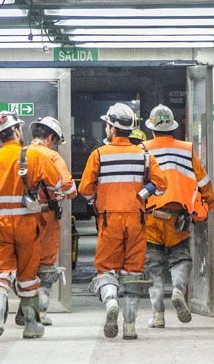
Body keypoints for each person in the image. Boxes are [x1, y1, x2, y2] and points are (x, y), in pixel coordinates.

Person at [0, 111, 72, 342]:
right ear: (16, 131)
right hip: (27, 224)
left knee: (0, 273)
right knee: (27, 274)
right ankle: (32, 325)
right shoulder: (35, 157)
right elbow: (63, 185)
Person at [79, 103, 167, 340]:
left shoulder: (98, 155)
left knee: (106, 269)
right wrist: (143, 192)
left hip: (109, 220)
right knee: (132, 272)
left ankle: (110, 305)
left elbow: (85, 189)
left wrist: (98, 195)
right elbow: (161, 184)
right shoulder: (144, 156)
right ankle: (129, 326)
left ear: (111, 128)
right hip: (137, 219)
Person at [143, 104, 214, 328]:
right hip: (179, 217)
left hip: (152, 216)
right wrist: (209, 203)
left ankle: (157, 315)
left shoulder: (143, 149)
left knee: (153, 266)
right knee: (180, 257)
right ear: (173, 127)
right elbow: (202, 181)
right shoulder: (186, 149)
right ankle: (177, 289)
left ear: (153, 129)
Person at [14, 116, 77, 327]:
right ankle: (39, 311)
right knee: (46, 264)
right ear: (50, 138)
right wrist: (61, 194)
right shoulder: (50, 156)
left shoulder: (18, 153)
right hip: (45, 216)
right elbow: (69, 188)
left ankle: (24, 308)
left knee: (25, 262)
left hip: (18, 216)